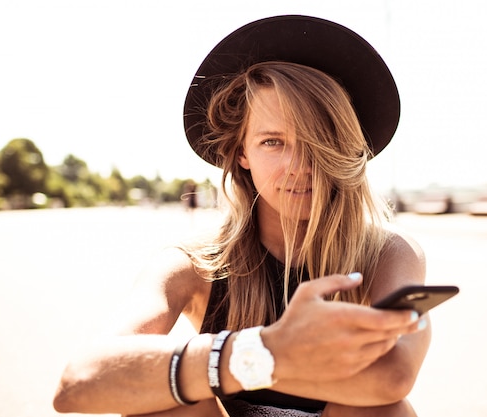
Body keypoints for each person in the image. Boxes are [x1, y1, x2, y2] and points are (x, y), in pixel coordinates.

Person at [53, 15, 431, 417]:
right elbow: (78, 383)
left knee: (382, 410)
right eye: (273, 142)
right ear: (241, 153)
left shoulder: (386, 251)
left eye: (319, 140)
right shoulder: (194, 263)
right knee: (160, 404)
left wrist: (235, 364)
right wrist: (267, 349)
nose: (300, 165)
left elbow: (393, 377)